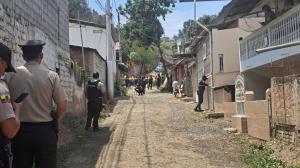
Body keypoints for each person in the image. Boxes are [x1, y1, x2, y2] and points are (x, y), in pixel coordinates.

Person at [8, 40, 67, 168]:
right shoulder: (52, 76)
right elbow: (62, 106)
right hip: (45, 132)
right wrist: (56, 117)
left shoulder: (11, 75)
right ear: (41, 56)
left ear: (23, 56)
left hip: (20, 131)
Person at [0, 43, 22, 168]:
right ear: (1, 61)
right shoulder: (1, 89)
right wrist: (17, 110)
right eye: (5, 67)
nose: (4, 73)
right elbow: (10, 131)